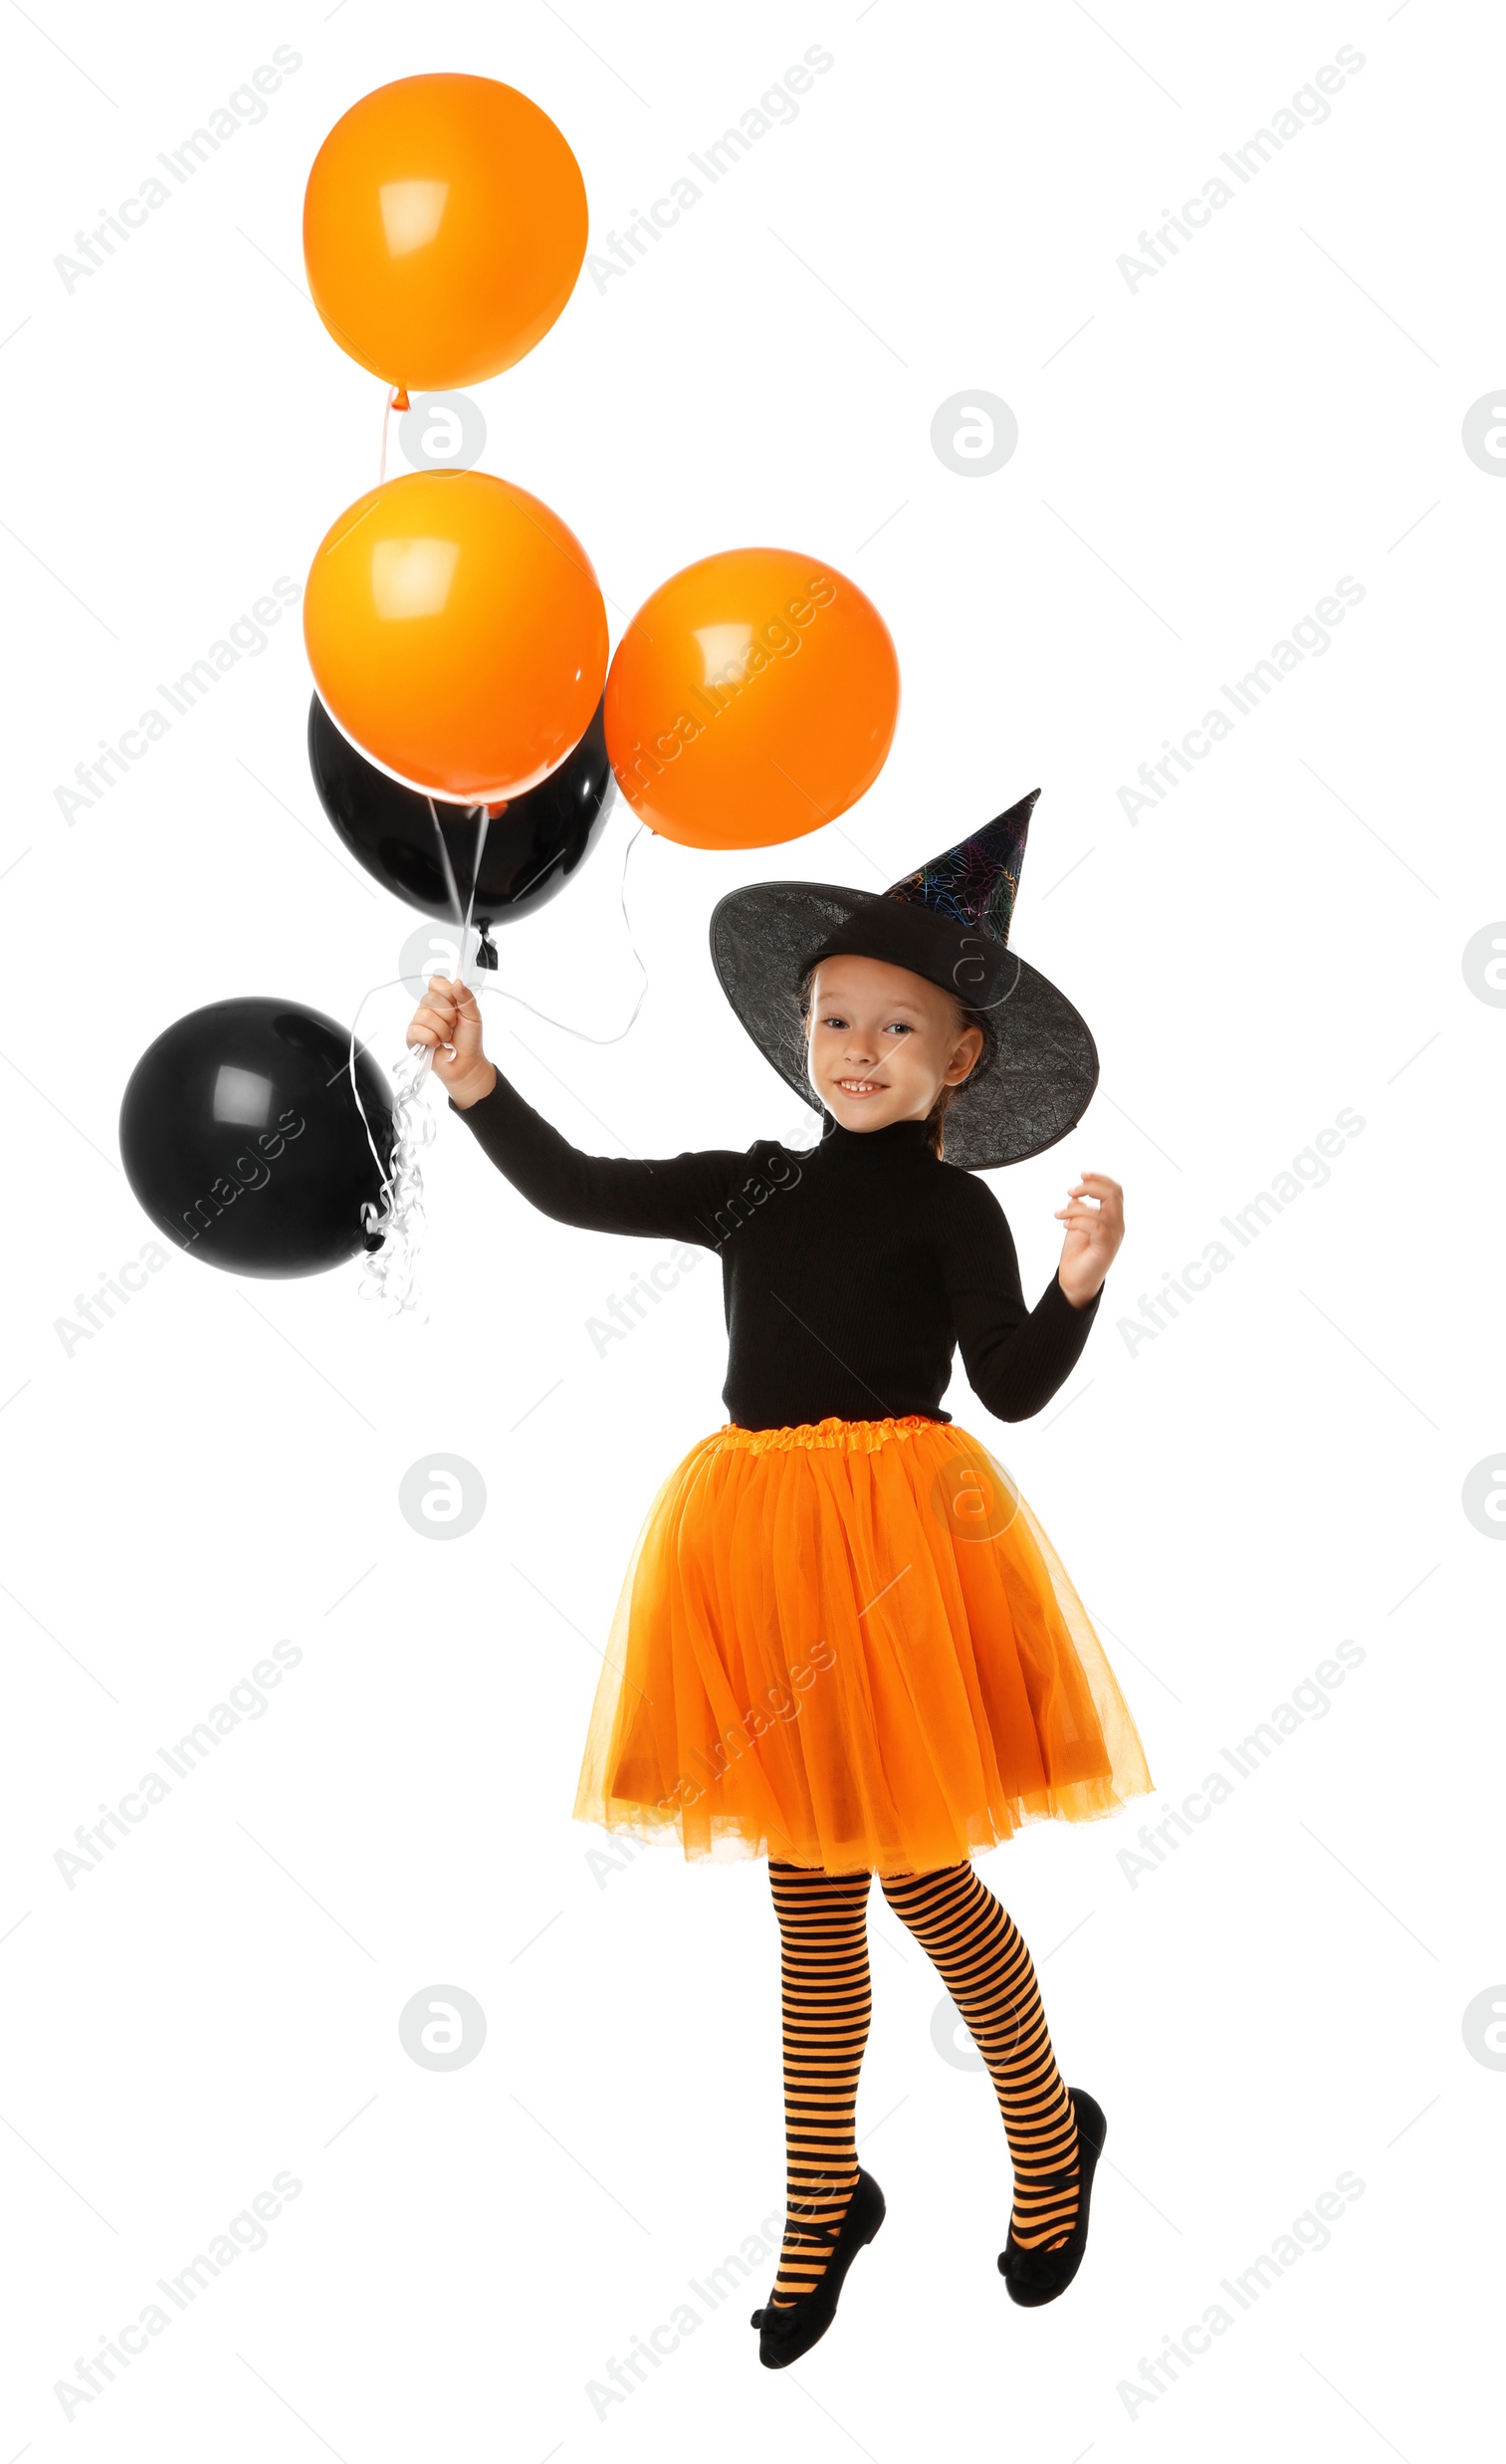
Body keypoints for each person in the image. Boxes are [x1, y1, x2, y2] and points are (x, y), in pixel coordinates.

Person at [407, 789, 1153, 2369]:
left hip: (900, 1561)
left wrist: (1078, 1285)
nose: (857, 1049)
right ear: (796, 1030)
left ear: (961, 1060)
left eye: (897, 1027)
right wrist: (479, 1086)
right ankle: (827, 2196)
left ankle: (1046, 2134)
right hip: (756, 1553)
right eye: (834, 1019)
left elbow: (1009, 1385)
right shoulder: (752, 1181)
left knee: (929, 1879)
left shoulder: (956, 1208)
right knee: (809, 1901)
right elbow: (580, 1187)